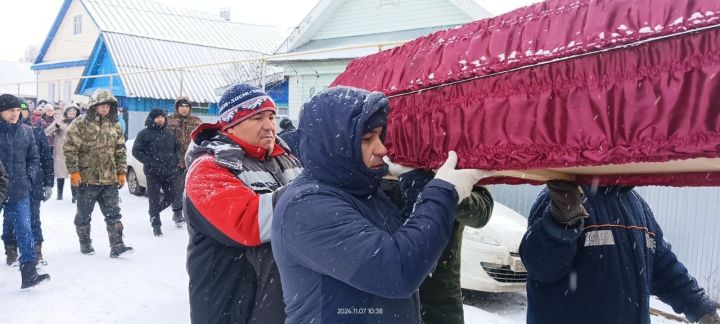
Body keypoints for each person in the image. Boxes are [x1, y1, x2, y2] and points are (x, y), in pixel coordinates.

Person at [271, 86, 491, 324]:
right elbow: (398, 271)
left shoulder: (362, 191)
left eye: (379, 135)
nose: (382, 148)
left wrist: (416, 182)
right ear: (333, 144)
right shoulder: (306, 208)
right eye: (367, 139)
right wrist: (443, 192)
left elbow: (412, 244)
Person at [519, 181, 720, 324]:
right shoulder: (563, 196)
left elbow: (664, 268)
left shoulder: (638, 206)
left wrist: (700, 307)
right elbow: (540, 267)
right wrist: (560, 224)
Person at [184, 83, 302, 324]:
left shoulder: (285, 158)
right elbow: (250, 224)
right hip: (231, 304)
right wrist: (318, 186)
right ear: (231, 125)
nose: (270, 126)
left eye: (271, 116)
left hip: (280, 301)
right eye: (257, 117)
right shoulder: (207, 169)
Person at [381, 177, 494, 324]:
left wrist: (445, 192)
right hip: (387, 277)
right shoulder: (380, 157)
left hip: (439, 285)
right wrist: (399, 183)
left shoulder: (465, 157)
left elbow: (482, 212)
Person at [64, 89, 133, 258]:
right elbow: (70, 149)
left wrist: (121, 172)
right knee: (83, 215)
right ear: (94, 106)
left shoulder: (114, 125)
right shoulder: (80, 124)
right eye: (101, 105)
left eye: (108, 106)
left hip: (109, 180)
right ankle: (85, 242)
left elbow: (120, 150)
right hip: (87, 179)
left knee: (114, 214)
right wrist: (74, 171)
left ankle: (117, 244)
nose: (105, 109)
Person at [0, 93, 50, 288]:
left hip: (20, 189)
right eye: (9, 110)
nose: (14, 114)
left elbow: (33, 159)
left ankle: (28, 272)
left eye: (17, 110)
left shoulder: (27, 131)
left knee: (25, 230)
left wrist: (28, 178)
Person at [132, 108, 180, 237]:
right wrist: (150, 161)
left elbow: (177, 148)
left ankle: (154, 212)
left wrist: (174, 161)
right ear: (152, 119)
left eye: (162, 117)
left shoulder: (169, 133)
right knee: (153, 198)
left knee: (172, 196)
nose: (160, 119)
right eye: (157, 117)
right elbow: (136, 151)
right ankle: (156, 225)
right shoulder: (144, 134)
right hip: (153, 173)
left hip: (169, 172)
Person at [166, 96, 201, 226]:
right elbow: (164, 140)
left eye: (187, 106)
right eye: (182, 106)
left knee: (193, 188)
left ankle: (192, 214)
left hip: (193, 160)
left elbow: (202, 139)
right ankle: (177, 213)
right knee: (177, 188)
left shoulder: (196, 121)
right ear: (177, 107)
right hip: (176, 161)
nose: (184, 109)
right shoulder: (169, 121)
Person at [47, 105, 80, 202]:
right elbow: (48, 131)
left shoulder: (78, 122)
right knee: (60, 174)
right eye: (70, 113)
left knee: (74, 173)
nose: (72, 115)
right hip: (61, 151)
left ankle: (75, 196)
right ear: (66, 113)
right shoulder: (60, 120)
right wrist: (57, 125)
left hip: (74, 152)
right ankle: (59, 194)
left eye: (74, 113)